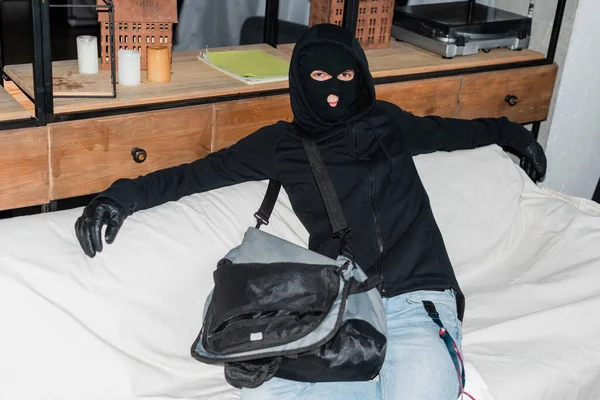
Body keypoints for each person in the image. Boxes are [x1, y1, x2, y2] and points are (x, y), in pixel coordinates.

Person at [74, 24, 546, 399]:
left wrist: (515, 133)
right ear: (301, 81)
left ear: (360, 76)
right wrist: (118, 197)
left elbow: (456, 131)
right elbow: (195, 173)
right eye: (319, 78)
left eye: (344, 77)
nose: (333, 90)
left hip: (419, 303)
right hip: (342, 310)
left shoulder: (389, 123)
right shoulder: (283, 145)